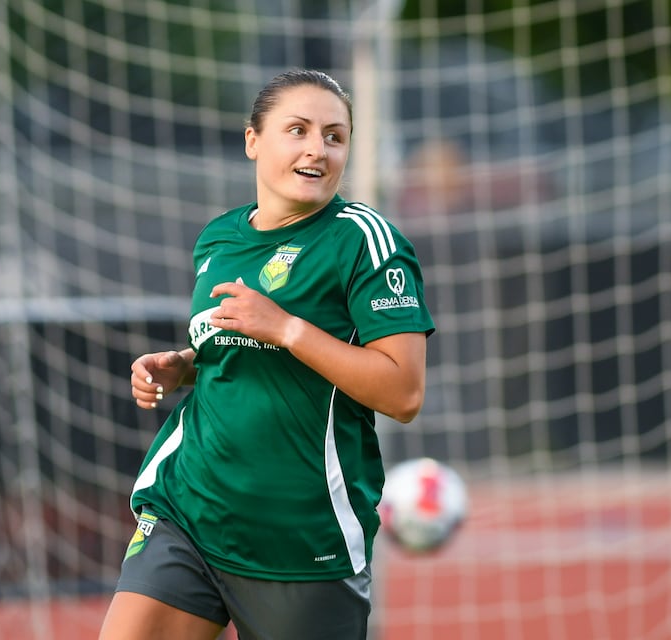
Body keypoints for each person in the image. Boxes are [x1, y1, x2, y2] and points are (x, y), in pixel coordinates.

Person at [99, 68, 435, 640]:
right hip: (191, 507)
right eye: (297, 130)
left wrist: (288, 328)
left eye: (334, 136)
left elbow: (403, 393)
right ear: (253, 140)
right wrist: (183, 365)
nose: (317, 149)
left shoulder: (364, 241)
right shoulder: (218, 238)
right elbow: (228, 347)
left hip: (301, 543)